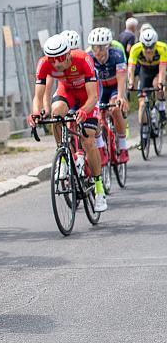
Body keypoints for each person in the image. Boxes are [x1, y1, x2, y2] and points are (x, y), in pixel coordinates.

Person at [27, 34, 107, 212]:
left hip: (87, 96)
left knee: (88, 141)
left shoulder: (83, 60)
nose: (56, 63)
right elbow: (38, 96)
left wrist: (83, 111)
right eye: (52, 59)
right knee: (57, 115)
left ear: (69, 54)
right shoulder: (44, 63)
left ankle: (99, 188)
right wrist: (36, 113)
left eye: (60, 58)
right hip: (67, 92)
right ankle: (63, 156)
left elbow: (93, 96)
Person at [87, 27, 130, 164]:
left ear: (108, 47)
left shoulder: (117, 55)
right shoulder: (88, 57)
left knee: (115, 109)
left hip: (114, 87)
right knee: (98, 115)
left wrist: (121, 97)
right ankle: (101, 146)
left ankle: (122, 146)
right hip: (98, 89)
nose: (98, 52)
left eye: (101, 48)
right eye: (95, 48)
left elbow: (122, 77)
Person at [127, 27, 167, 133]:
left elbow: (162, 69)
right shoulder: (135, 49)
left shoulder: (162, 48)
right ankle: (144, 135)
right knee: (142, 104)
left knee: (157, 84)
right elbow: (131, 68)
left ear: (155, 43)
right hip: (144, 72)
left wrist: (161, 83)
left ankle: (162, 109)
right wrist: (130, 82)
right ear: (141, 44)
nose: (148, 50)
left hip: (157, 70)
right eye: (145, 46)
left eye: (151, 46)